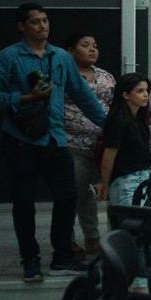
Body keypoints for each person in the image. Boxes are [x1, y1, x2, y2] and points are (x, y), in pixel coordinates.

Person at [0, 3, 107, 281]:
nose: (42, 26)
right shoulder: (8, 57)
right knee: (24, 202)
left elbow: (83, 95)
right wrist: (26, 98)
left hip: (54, 138)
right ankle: (30, 260)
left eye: (45, 20)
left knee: (67, 196)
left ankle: (62, 256)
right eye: (35, 21)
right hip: (20, 139)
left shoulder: (61, 57)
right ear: (22, 26)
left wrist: (109, 125)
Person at [62, 32, 116, 256]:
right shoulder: (63, 74)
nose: (93, 49)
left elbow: (115, 107)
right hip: (72, 143)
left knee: (94, 194)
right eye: (85, 45)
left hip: (102, 146)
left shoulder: (106, 77)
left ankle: (95, 239)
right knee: (75, 193)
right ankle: (67, 241)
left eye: (95, 45)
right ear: (70, 50)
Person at [97, 73, 151, 206]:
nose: (146, 94)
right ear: (126, 95)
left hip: (142, 177)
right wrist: (105, 184)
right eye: (140, 91)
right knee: (130, 217)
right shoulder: (119, 120)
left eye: (146, 90)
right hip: (126, 181)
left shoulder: (140, 120)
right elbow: (108, 158)